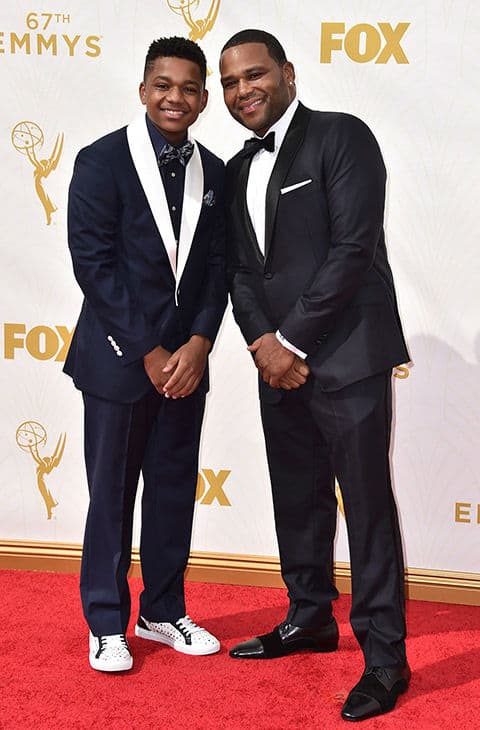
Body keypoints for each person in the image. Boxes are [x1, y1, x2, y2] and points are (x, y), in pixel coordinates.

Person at [219, 29, 410, 721]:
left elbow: (352, 249)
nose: (243, 90)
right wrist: (262, 343)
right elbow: (240, 270)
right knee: (296, 498)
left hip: (347, 357)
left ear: (288, 73)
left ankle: (385, 659)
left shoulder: (341, 136)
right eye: (231, 82)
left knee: (366, 507)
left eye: (255, 74)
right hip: (277, 365)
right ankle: (309, 617)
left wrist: (291, 340)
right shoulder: (236, 169)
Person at [64, 36, 227, 672]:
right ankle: (106, 622)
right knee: (110, 494)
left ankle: (162, 611)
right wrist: (148, 350)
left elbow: (219, 268)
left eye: (189, 88)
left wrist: (199, 343)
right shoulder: (101, 160)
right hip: (119, 362)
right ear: (143, 90)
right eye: (163, 85)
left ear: (203, 99)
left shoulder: (215, 170)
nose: (175, 98)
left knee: (173, 492)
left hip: (186, 366)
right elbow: (93, 263)